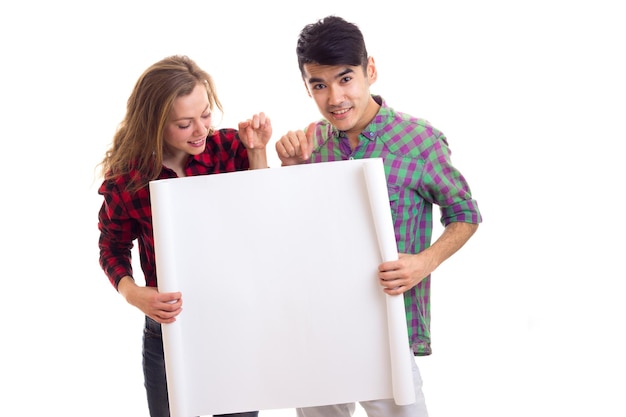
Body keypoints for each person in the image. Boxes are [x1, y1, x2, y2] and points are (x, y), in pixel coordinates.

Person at [275, 16, 483, 417]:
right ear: (306, 86)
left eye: (345, 78)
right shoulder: (310, 143)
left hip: (388, 328)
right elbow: (291, 233)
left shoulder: (420, 140)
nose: (334, 97)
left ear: (370, 70)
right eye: (319, 84)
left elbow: (465, 213)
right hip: (320, 326)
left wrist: (424, 262)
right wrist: (289, 171)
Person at [97, 55, 270, 417]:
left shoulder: (228, 149)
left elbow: (263, 217)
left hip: (235, 323)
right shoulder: (128, 177)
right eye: (184, 123)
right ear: (155, 123)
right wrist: (134, 294)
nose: (201, 130)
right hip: (168, 332)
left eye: (205, 115)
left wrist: (257, 152)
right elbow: (112, 246)